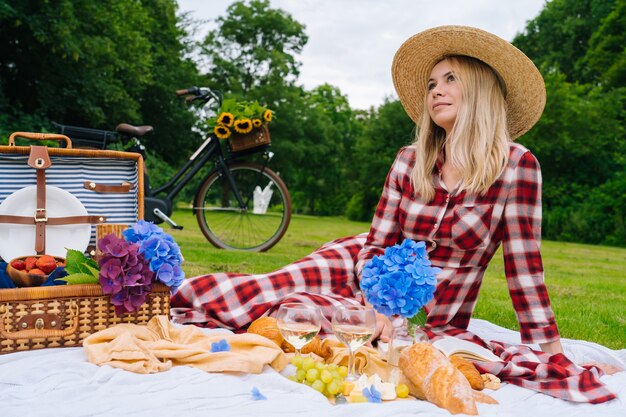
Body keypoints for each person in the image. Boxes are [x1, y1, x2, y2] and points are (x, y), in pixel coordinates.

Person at [354, 25, 564, 355]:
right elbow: (376, 246)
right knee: (288, 306)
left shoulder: (515, 166)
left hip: (437, 321)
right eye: (431, 84)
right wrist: (376, 305)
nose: (436, 91)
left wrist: (553, 356)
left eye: (451, 79)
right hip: (364, 283)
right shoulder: (408, 161)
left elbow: (524, 272)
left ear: (480, 89)